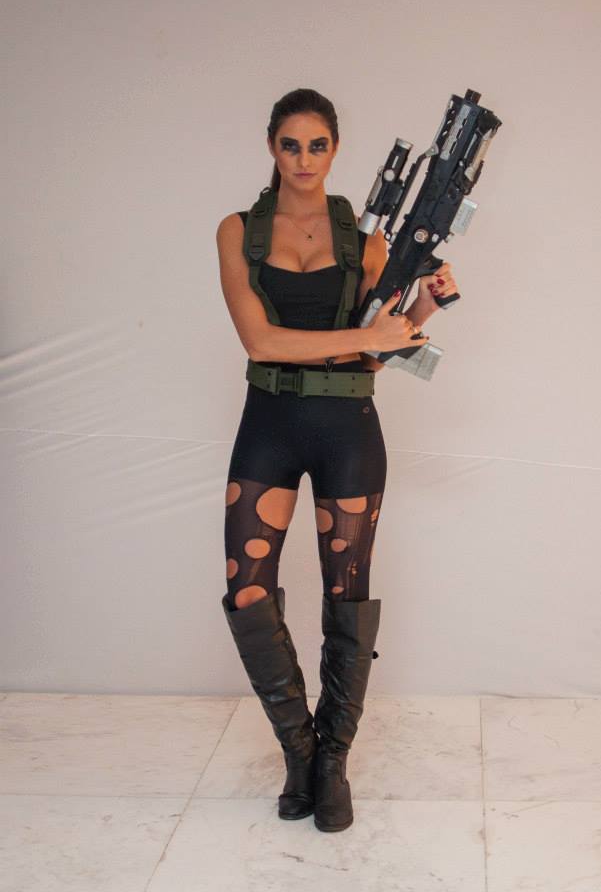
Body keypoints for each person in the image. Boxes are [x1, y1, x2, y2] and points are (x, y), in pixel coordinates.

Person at [216, 88, 458, 832]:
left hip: (348, 428)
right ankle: (298, 751)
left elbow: (375, 353)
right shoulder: (239, 231)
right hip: (268, 422)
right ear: (271, 147)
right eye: (290, 145)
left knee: (347, 595)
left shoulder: (366, 241)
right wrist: (368, 339)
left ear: (335, 150)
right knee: (247, 590)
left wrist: (424, 308)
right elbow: (260, 340)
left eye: (317, 145)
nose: (304, 159)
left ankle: (332, 765)